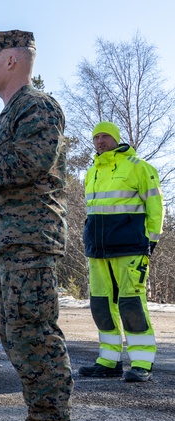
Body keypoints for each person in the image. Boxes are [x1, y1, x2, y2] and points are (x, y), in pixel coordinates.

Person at [0, 29, 81, 421]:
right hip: (13, 239)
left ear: (12, 60)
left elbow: (30, 161)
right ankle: (39, 417)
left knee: (35, 331)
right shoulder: (13, 110)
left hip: (31, 236)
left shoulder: (37, 106)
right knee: (16, 334)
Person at [79, 121, 164, 382]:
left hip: (130, 247)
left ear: (116, 139)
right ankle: (108, 360)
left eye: (105, 136)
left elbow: (155, 205)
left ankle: (141, 363)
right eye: (96, 137)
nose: (100, 141)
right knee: (101, 306)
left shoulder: (139, 167)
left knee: (131, 304)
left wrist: (150, 241)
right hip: (98, 250)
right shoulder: (92, 171)